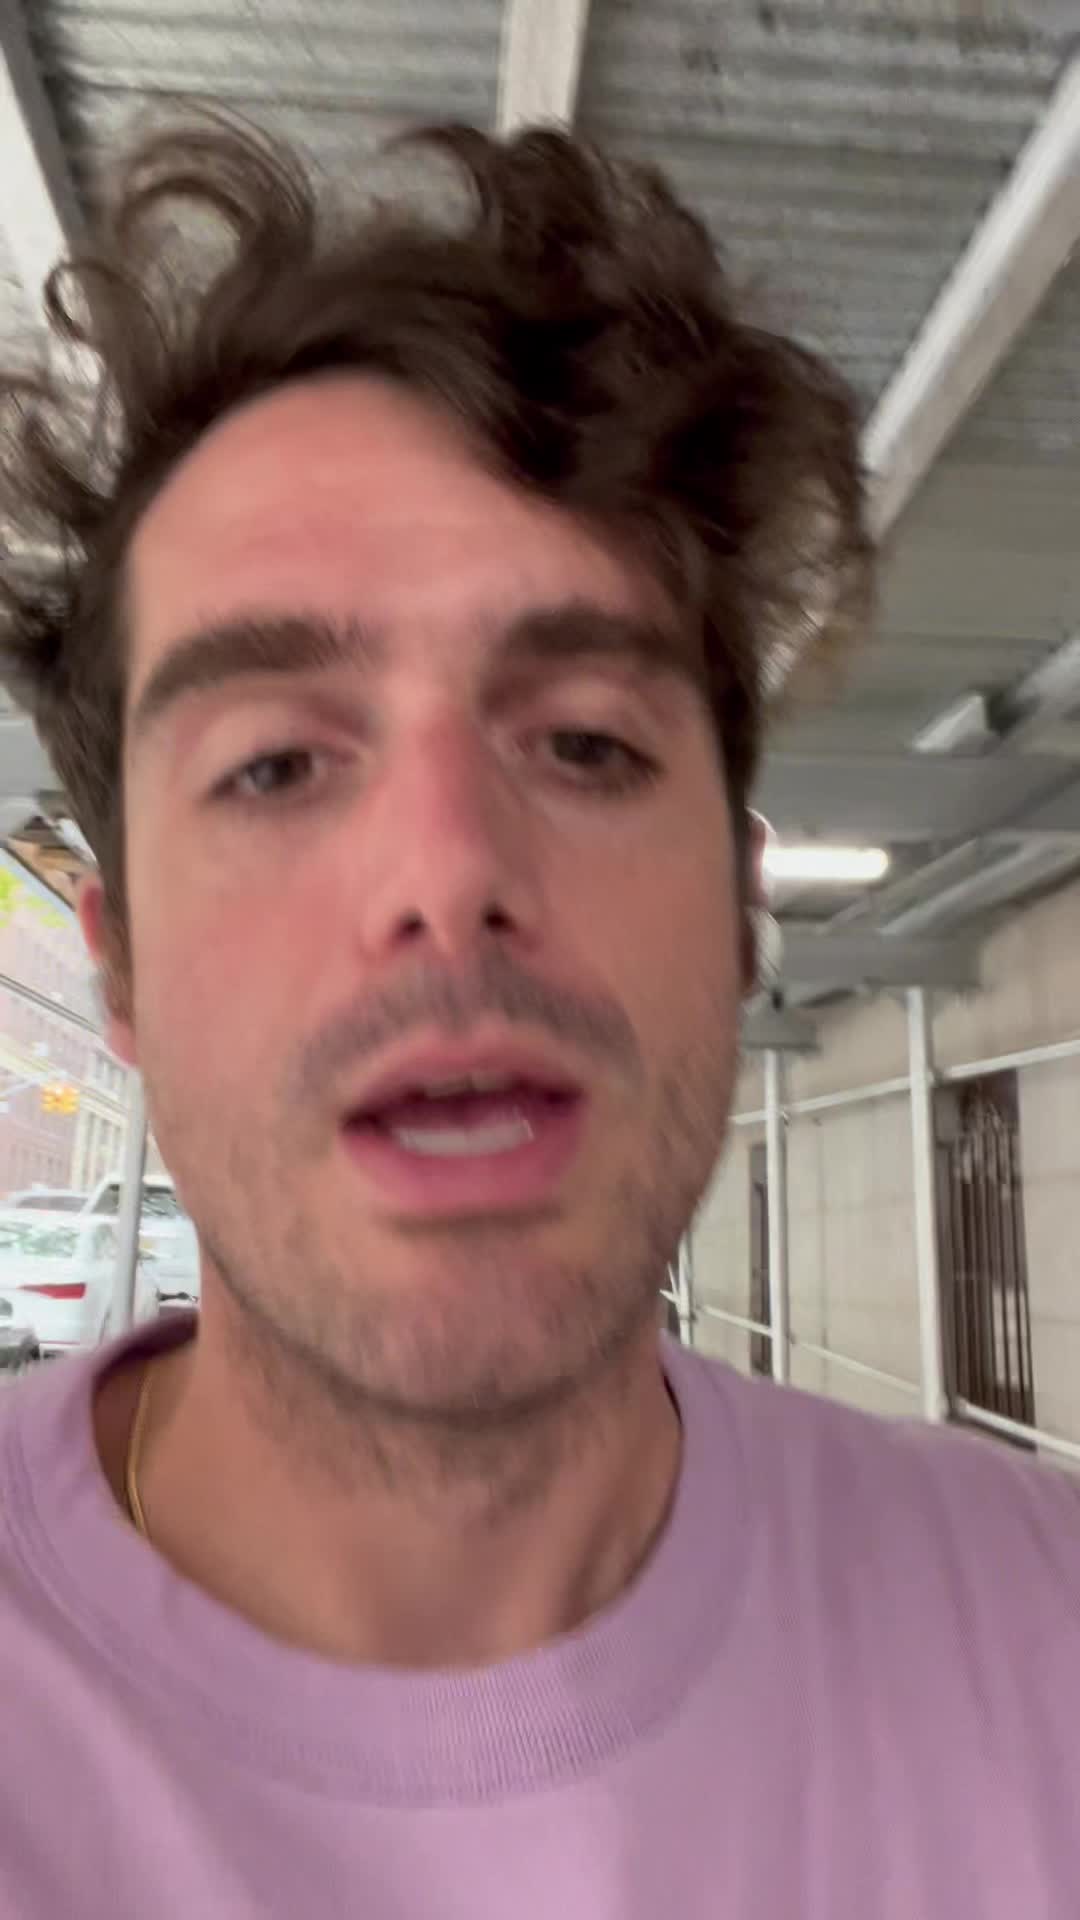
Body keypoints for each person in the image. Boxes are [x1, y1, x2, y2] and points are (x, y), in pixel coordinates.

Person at [0, 114, 1076, 1920]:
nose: (448, 870)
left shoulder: (1047, 1647)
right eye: (274, 764)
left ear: (738, 909)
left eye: (585, 742)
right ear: (119, 966)